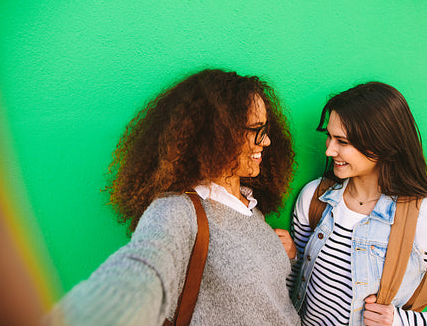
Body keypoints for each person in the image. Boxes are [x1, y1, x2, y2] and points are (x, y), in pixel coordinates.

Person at [45, 69, 301, 325]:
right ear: (217, 134)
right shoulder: (178, 211)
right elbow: (144, 268)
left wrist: (287, 256)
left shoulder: (252, 206)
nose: (267, 141)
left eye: (266, 128)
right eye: (256, 129)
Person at [287, 82, 427, 325]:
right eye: (329, 137)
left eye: (342, 141)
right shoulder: (315, 197)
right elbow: (295, 281)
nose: (329, 150)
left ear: (382, 143)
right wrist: (289, 259)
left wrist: (402, 321)